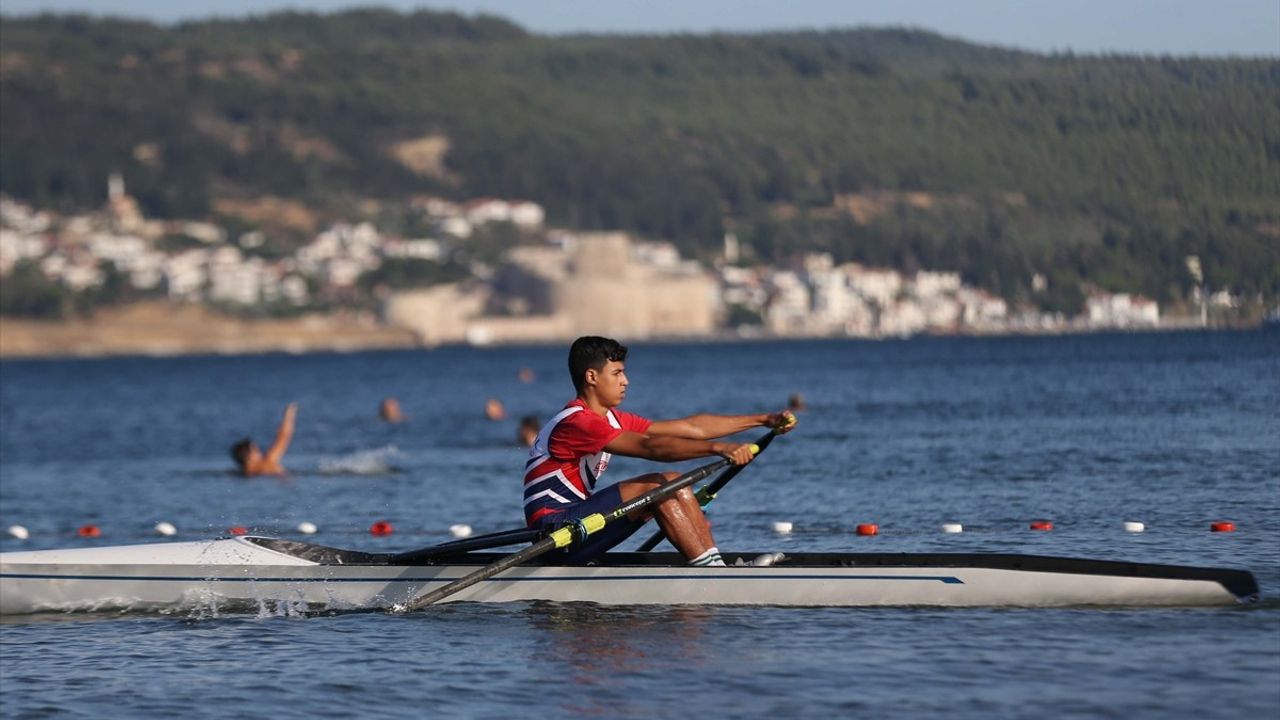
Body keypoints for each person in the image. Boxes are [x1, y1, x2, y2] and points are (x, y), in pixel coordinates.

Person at [523, 336, 796, 566]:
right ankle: (710, 573)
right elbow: (649, 447)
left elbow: (691, 427)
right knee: (661, 484)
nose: (626, 381)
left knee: (678, 485)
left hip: (581, 527)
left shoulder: (613, 419)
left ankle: (714, 566)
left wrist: (763, 420)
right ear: (592, 377)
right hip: (554, 534)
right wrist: (718, 449)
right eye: (617, 373)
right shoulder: (578, 422)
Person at [230, 403, 297, 477]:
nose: (260, 451)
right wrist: (288, 416)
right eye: (256, 450)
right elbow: (284, 437)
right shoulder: (268, 462)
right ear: (250, 457)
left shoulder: (243, 472)